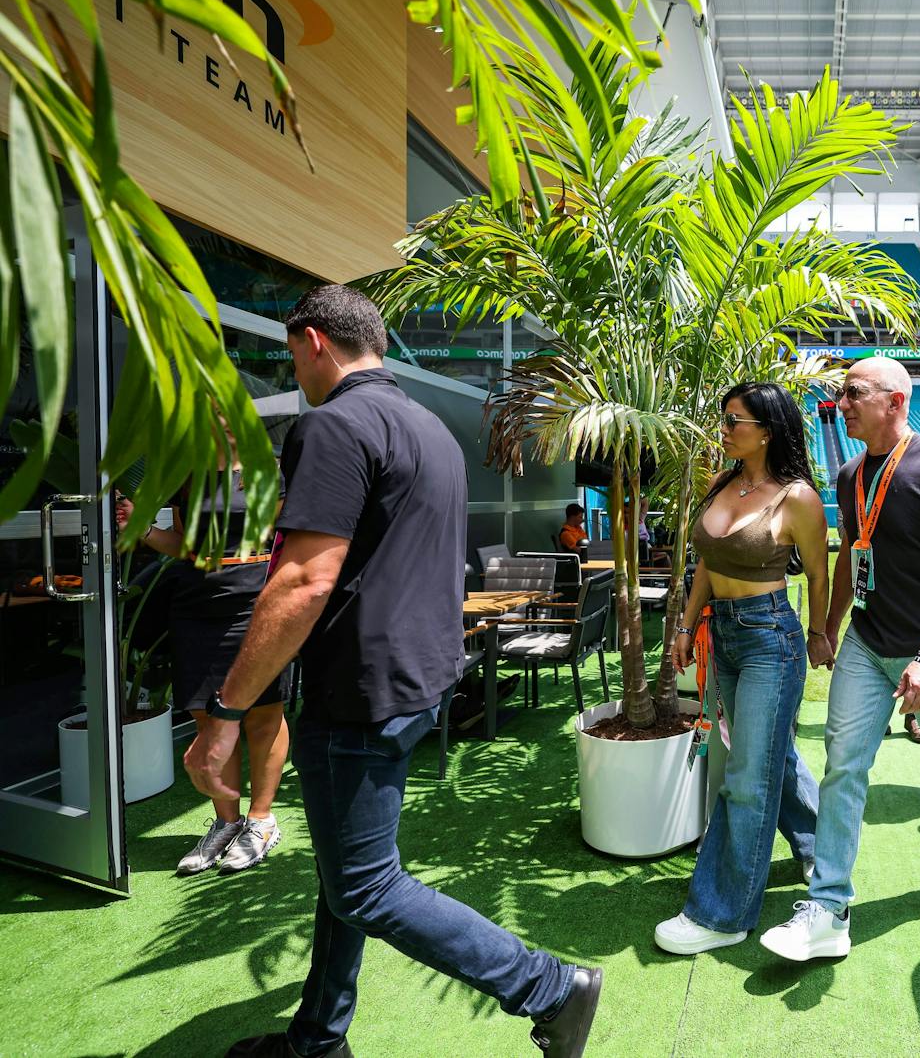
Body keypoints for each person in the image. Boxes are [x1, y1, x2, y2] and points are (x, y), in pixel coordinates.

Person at [196, 286, 600, 1058]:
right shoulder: (430, 430)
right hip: (421, 676)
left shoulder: (333, 425)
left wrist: (224, 709)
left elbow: (306, 580)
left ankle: (550, 987)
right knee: (345, 868)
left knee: (365, 883)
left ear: (313, 341)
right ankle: (317, 1037)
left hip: (363, 689)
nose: (296, 369)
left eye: (291, 355)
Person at [759, 357, 920, 961]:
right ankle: (828, 905)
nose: (843, 402)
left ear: (896, 401)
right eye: (842, 393)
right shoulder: (850, 473)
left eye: (854, 392)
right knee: (842, 769)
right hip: (865, 641)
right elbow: (849, 554)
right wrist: (828, 625)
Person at [657, 382, 832, 955]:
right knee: (768, 758)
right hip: (724, 634)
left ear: (768, 429)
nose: (725, 429)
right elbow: (707, 560)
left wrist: (818, 634)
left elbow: (820, 574)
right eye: (725, 419)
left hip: (769, 639)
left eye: (735, 421)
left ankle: (722, 914)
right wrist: (686, 626)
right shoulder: (724, 483)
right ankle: (816, 849)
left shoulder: (797, 497)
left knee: (746, 777)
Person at [114, 448, 293, 876]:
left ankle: (262, 820)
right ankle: (227, 821)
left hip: (254, 601)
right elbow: (188, 548)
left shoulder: (267, 468)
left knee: (262, 713)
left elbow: (286, 538)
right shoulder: (186, 473)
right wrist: (143, 531)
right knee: (209, 714)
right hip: (196, 605)